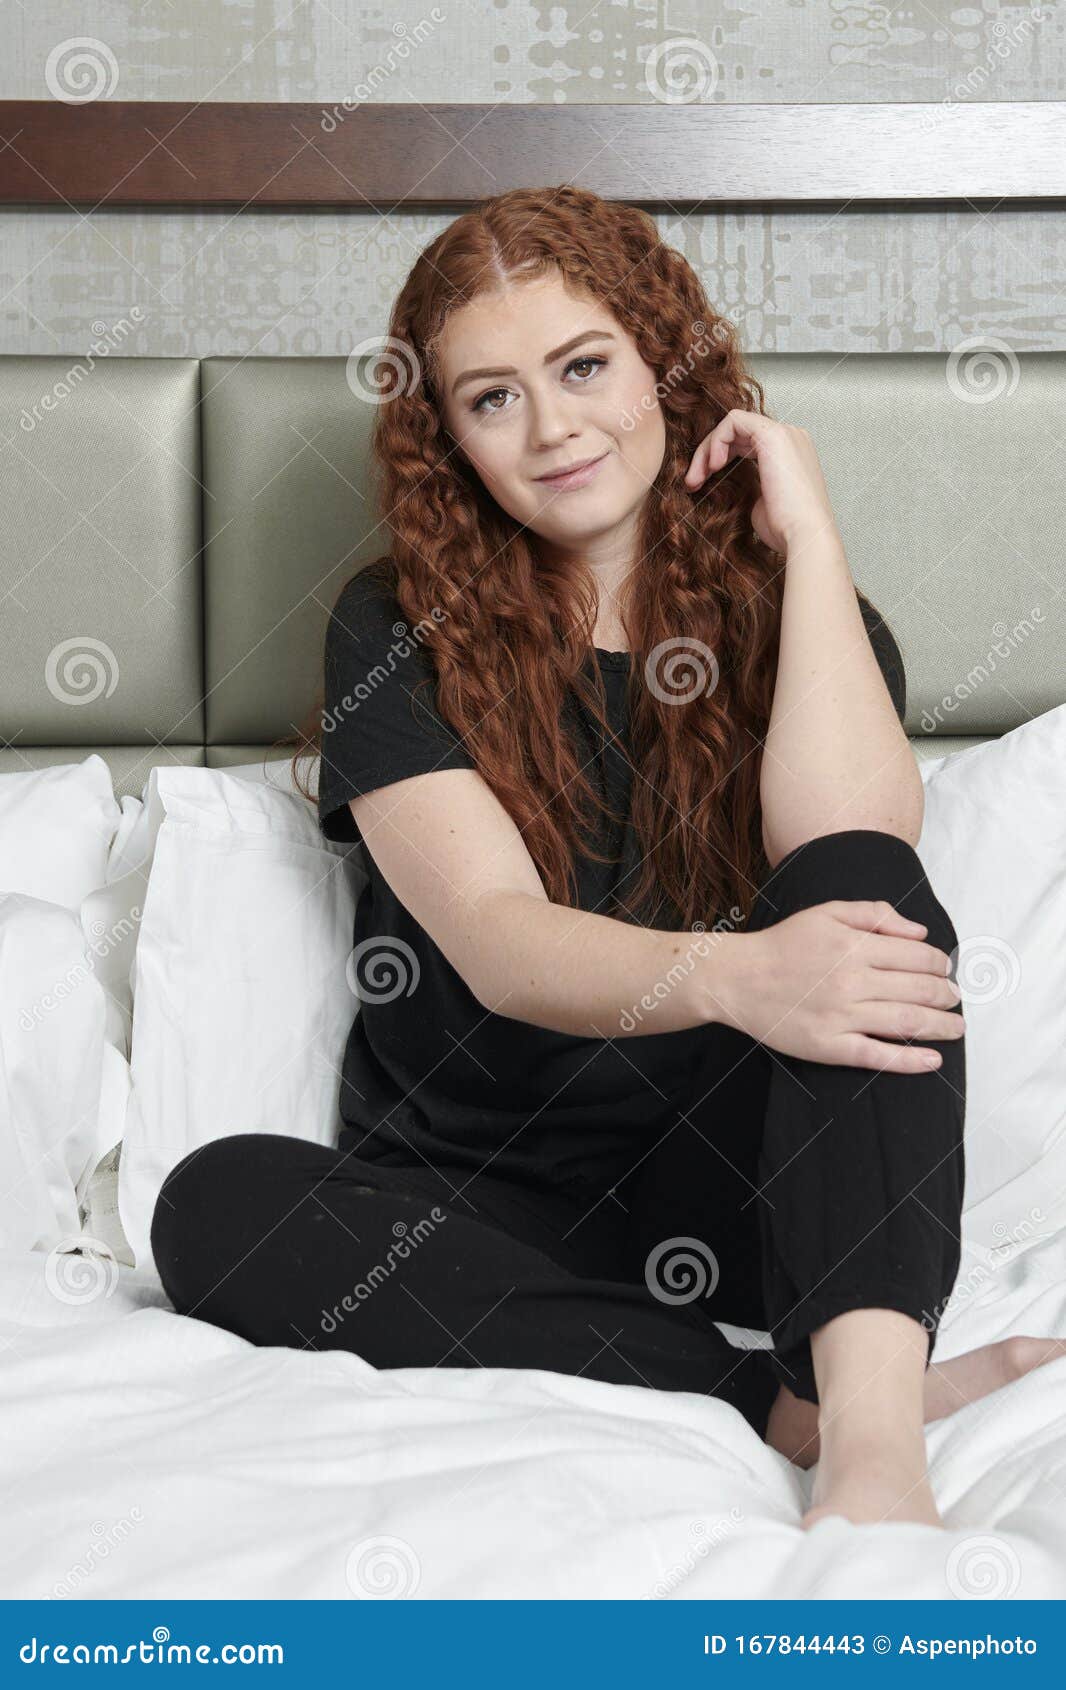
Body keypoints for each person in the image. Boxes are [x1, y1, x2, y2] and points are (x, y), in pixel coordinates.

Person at [151, 185, 1065, 1531]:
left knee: (859, 895)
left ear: (661, 363)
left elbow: (859, 852)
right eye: (491, 397)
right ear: (448, 437)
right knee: (211, 1203)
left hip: (748, 1203)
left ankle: (873, 1453)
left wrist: (809, 544)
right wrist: (737, 975)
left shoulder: (798, 618)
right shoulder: (396, 627)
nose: (553, 425)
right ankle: (765, 1402)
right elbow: (495, 937)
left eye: (582, 366)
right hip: (488, 1204)